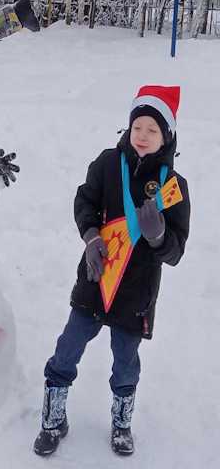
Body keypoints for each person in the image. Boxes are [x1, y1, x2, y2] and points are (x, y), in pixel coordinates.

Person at [33, 85, 190, 457]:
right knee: (67, 348)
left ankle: (122, 424)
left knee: (125, 361)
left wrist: (158, 236)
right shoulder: (107, 163)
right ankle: (53, 418)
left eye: (152, 130)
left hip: (136, 294)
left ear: (165, 136)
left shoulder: (173, 187)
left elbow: (176, 251)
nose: (142, 136)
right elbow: (84, 200)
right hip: (94, 279)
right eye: (138, 127)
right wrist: (89, 236)